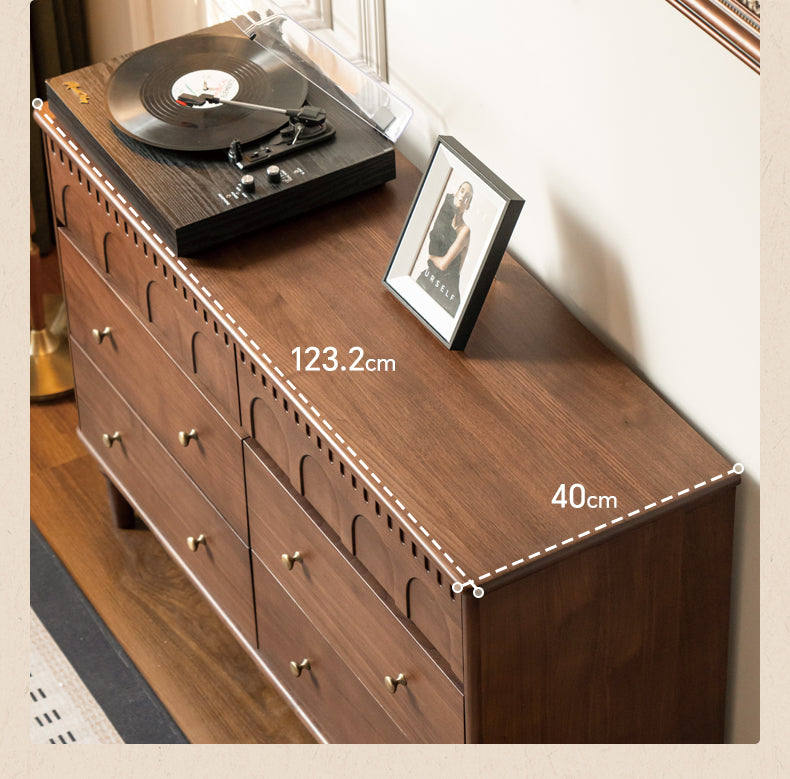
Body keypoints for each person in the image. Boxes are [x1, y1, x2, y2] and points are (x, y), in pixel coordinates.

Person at [416, 181, 473, 316]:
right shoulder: (446, 221)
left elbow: (443, 264)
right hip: (432, 278)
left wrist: (430, 257)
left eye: (468, 196)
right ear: (456, 193)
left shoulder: (465, 231)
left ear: (468, 205)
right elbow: (433, 245)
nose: (463, 197)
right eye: (462, 191)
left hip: (447, 291)